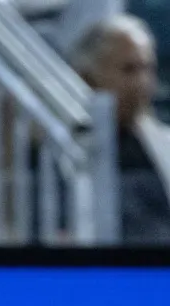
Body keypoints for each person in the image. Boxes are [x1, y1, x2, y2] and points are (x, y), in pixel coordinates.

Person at [70, 13, 170, 243]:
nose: (142, 82)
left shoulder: (164, 143)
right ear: (87, 78)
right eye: (129, 69)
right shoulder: (66, 150)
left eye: (147, 68)